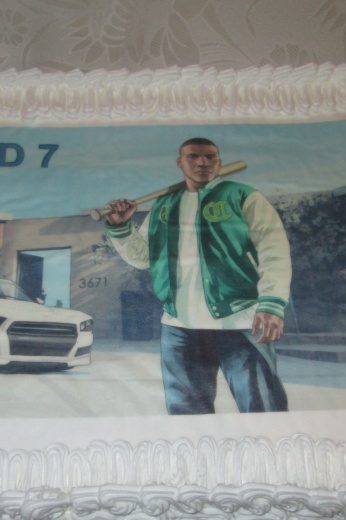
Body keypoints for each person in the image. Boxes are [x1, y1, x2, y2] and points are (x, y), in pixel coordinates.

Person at [105, 138, 292, 415]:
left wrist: (272, 302)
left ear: (219, 161)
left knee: (262, 409)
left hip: (240, 320)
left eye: (210, 156)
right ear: (180, 163)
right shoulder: (163, 205)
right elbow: (143, 258)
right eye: (193, 157)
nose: (202, 162)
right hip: (179, 326)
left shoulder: (242, 196)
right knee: (187, 416)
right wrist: (121, 227)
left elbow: (273, 250)